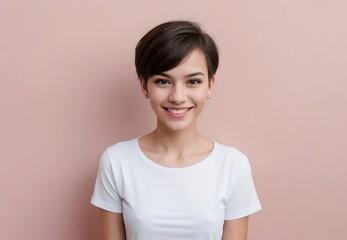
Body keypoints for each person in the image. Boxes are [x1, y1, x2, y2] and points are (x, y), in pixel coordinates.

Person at [91, 20, 261, 240]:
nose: (177, 97)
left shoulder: (233, 166)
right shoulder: (117, 162)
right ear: (144, 85)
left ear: (210, 84)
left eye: (193, 81)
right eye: (163, 81)